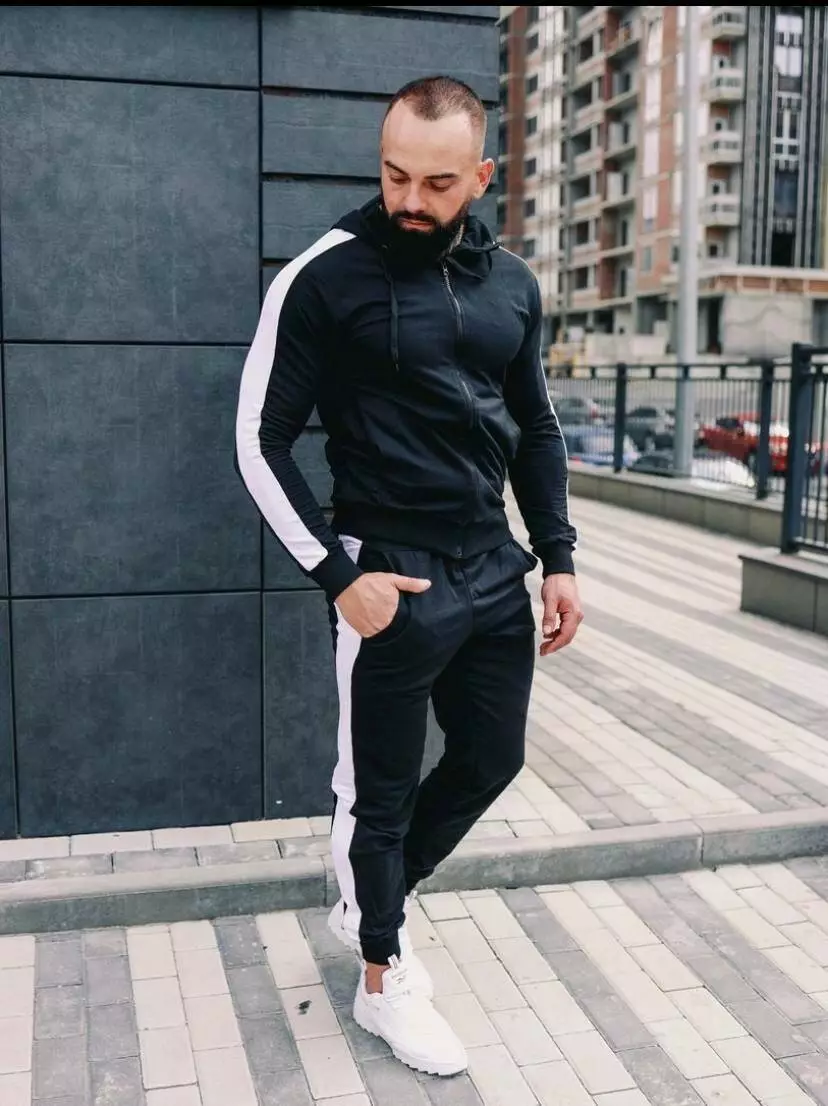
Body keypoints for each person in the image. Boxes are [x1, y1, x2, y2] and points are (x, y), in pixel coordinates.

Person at [235, 74, 582, 1077]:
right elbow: (258, 439)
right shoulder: (324, 276)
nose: (410, 201)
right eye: (395, 176)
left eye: (436, 183)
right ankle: (382, 973)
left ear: (481, 176)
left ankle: (372, 897)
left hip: (494, 567)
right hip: (390, 574)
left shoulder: (512, 284)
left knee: (492, 758)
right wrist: (339, 575)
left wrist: (558, 556)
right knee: (374, 794)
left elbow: (536, 426)